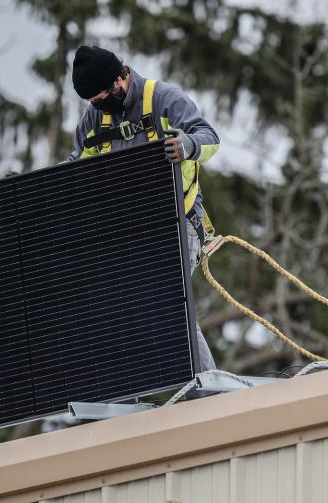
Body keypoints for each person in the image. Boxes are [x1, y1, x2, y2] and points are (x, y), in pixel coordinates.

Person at [68, 45, 219, 372]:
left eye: (99, 97)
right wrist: (40, 184)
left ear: (118, 80)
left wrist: (187, 145)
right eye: (91, 102)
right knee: (117, 306)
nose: (96, 106)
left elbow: (210, 137)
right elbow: (75, 167)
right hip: (131, 231)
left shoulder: (164, 98)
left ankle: (209, 394)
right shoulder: (95, 118)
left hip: (179, 222)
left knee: (168, 300)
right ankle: (127, 390)